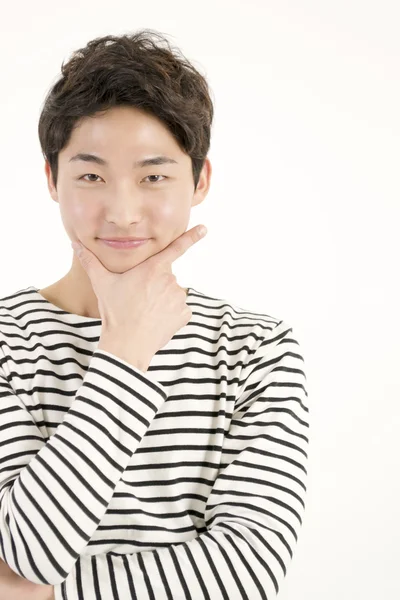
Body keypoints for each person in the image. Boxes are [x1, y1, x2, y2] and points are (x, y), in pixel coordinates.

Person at [0, 29, 309, 599]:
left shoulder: (257, 350)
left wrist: (37, 594)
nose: (122, 212)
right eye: (91, 175)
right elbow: (31, 550)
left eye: (153, 176)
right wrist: (125, 352)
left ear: (200, 181)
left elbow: (246, 572)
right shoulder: (6, 341)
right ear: (51, 180)